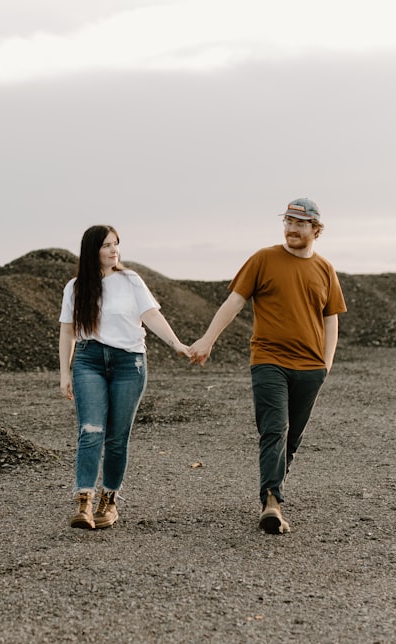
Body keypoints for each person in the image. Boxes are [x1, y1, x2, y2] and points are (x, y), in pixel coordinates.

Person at [189, 198, 346, 534]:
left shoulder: (325, 269)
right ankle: (271, 501)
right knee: (274, 428)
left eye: (300, 223)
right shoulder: (263, 259)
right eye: (288, 221)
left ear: (316, 231)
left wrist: (326, 364)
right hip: (268, 360)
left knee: (293, 438)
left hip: (311, 366)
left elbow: (330, 318)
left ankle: (273, 488)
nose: (291, 228)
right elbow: (234, 302)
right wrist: (208, 339)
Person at [59, 225, 190, 529]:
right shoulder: (75, 287)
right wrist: (64, 372)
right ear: (92, 250)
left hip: (128, 363)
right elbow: (68, 330)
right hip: (89, 360)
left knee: (117, 437)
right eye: (106, 245)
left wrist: (177, 344)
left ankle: (109, 498)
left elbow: (151, 315)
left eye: (116, 244)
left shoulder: (131, 281)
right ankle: (84, 500)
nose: (114, 250)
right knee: (90, 430)